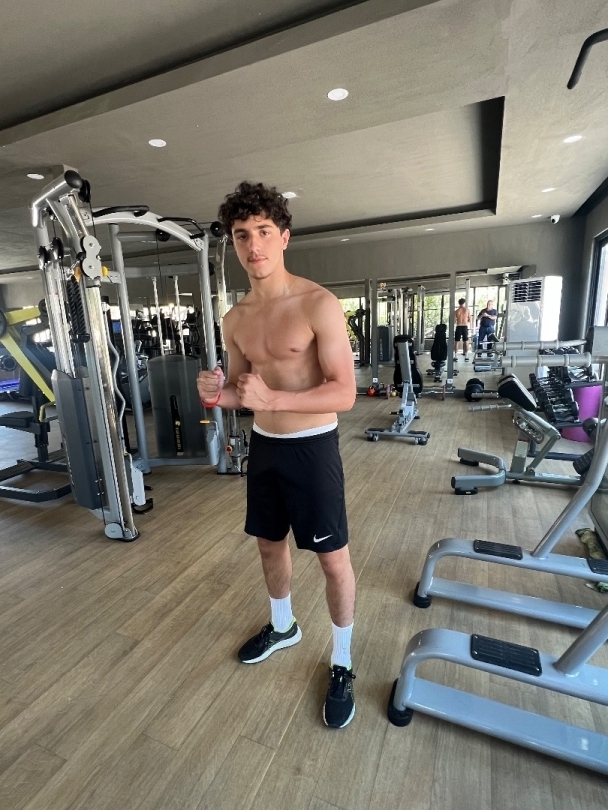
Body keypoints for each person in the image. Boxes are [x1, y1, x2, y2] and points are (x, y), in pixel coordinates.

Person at [196, 181, 358, 729]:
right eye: (242, 235)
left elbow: (345, 392)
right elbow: (241, 392)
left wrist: (275, 399)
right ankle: (284, 626)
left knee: (332, 559)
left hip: (313, 448)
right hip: (265, 448)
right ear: (234, 243)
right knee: (269, 546)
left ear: (284, 237)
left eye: (264, 231)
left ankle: (342, 661)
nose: (253, 245)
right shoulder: (235, 319)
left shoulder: (318, 304)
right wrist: (214, 395)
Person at [453, 297, 472, 362]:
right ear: (464, 303)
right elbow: (470, 320)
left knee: (457, 341)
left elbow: (454, 321)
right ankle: (466, 356)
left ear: (459, 303)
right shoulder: (467, 310)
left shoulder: (456, 311)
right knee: (466, 341)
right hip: (465, 326)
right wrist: (470, 326)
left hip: (458, 326)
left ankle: (455, 356)